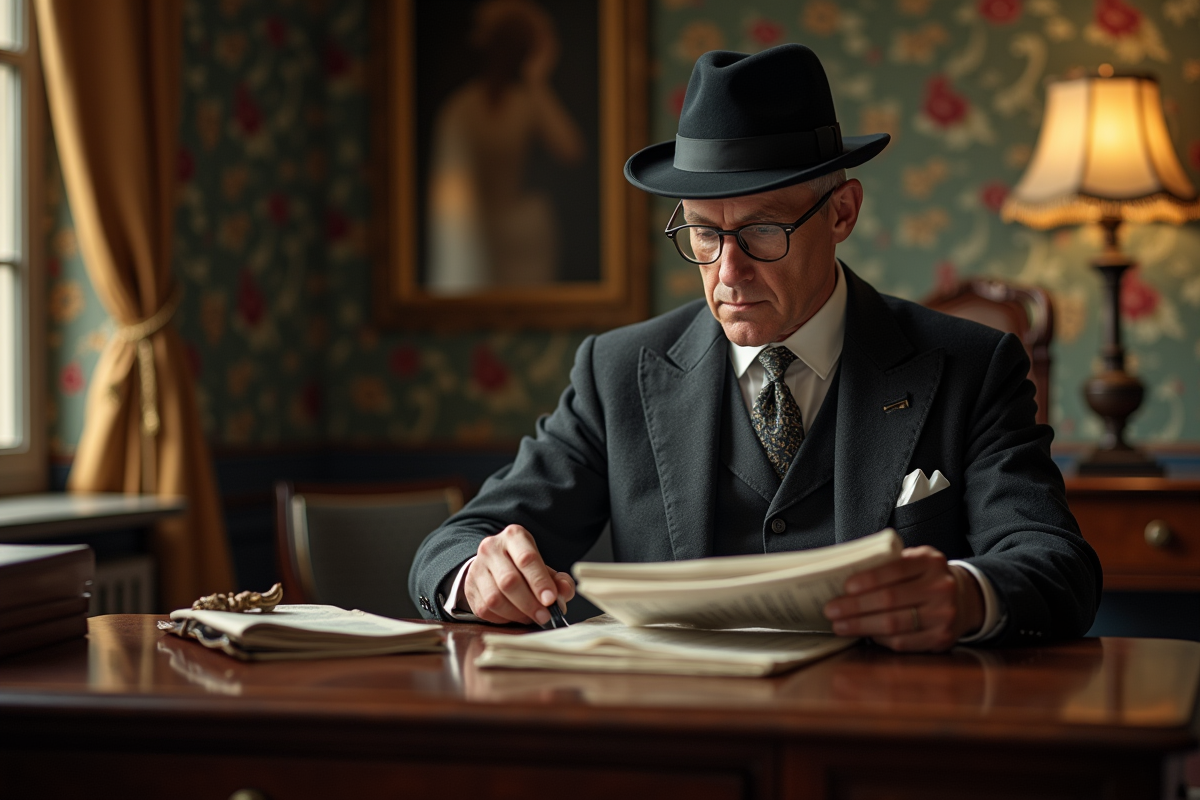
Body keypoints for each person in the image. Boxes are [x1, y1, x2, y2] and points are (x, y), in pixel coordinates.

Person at [409, 43, 1101, 651]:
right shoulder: (616, 372)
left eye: (763, 231)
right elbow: (461, 539)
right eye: (704, 235)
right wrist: (478, 575)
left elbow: (1054, 563)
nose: (728, 273)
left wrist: (966, 594)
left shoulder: (972, 367)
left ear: (842, 213)